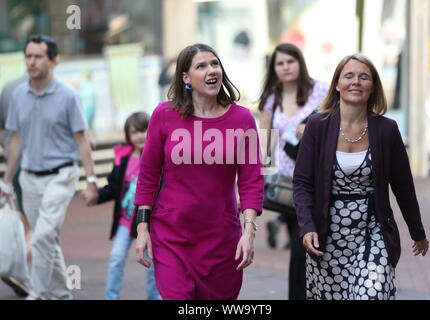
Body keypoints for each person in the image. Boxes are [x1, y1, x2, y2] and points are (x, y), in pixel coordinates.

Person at [293, 53, 429, 300]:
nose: (356, 81)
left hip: (372, 228)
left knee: (373, 293)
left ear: (373, 86)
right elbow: (302, 182)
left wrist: (417, 231)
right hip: (326, 234)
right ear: (337, 84)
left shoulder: (387, 129)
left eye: (364, 77)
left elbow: (403, 185)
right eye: (349, 76)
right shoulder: (317, 125)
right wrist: (307, 226)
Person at [134, 43, 264, 300]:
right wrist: (142, 230)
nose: (211, 70)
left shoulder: (243, 119)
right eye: (201, 66)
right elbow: (148, 175)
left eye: (215, 64)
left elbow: (251, 182)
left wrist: (249, 232)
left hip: (222, 239)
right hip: (172, 236)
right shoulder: (164, 115)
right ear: (186, 77)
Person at [0, 35, 99, 300]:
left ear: (53, 61)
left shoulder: (69, 96)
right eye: (28, 56)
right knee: (48, 241)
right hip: (29, 180)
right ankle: (63, 295)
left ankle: (38, 291)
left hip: (61, 175)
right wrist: (7, 181)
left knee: (42, 236)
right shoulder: (19, 95)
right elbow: (16, 140)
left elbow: (81, 139)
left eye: (38, 56)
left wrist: (91, 179)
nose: (31, 62)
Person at [258, 43, 329, 300]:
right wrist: (263, 179)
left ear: (300, 62)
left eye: (290, 61)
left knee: (304, 245)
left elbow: (337, 121)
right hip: (285, 184)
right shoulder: (271, 98)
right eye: (280, 63)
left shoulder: (320, 90)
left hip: (313, 178)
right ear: (274, 68)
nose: (286, 67)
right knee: (301, 243)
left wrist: (311, 125)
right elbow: (266, 140)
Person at [83, 111, 161, 300]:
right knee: (116, 259)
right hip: (125, 222)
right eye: (134, 132)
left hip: (149, 223)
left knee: (152, 264)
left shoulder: (156, 155)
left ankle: (155, 298)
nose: (140, 136)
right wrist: (96, 196)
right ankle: (111, 297)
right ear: (128, 135)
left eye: (144, 130)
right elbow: (114, 186)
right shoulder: (123, 157)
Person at [0, 74, 31, 298]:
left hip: (15, 162)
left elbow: (2, 131)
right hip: (36, 163)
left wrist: (8, 150)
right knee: (39, 227)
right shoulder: (43, 89)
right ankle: (23, 274)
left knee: (25, 219)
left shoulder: (8, 87)